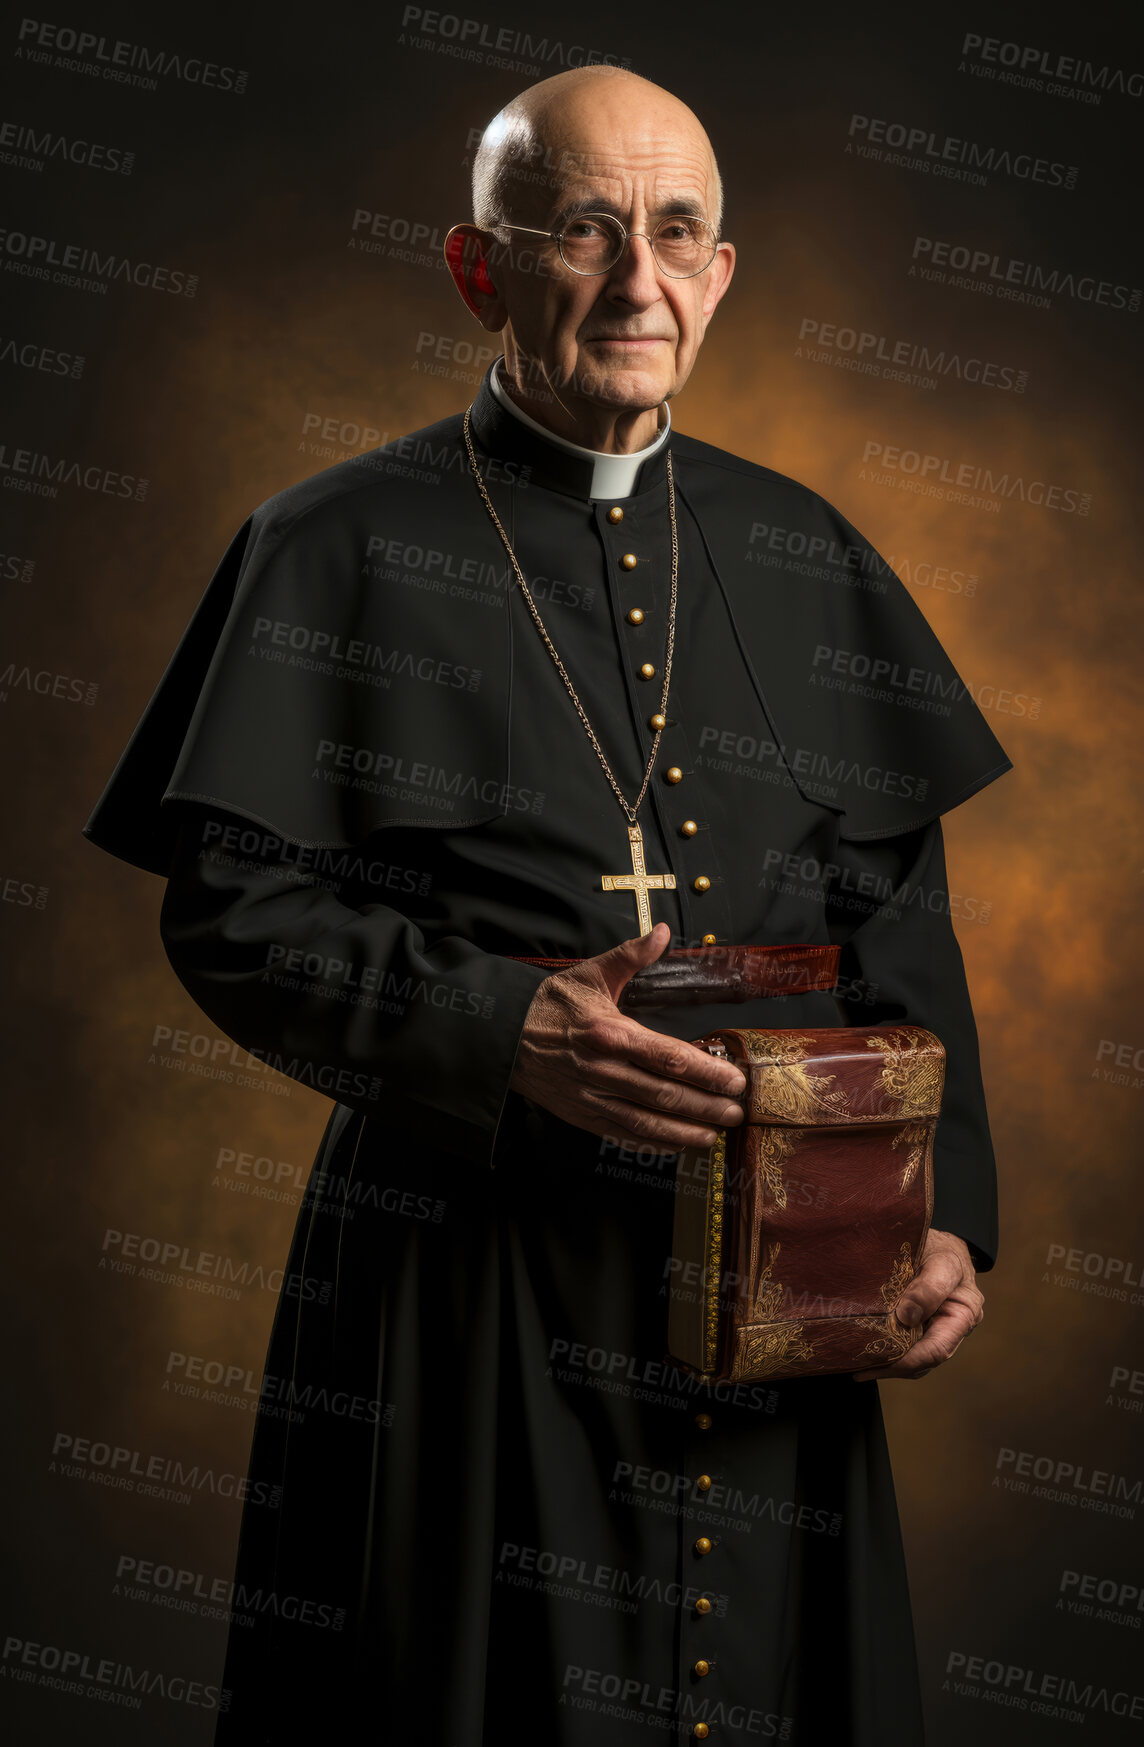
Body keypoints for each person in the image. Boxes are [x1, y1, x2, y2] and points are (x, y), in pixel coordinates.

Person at [85, 65, 1009, 1747]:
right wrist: (502, 1027)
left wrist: (945, 1221)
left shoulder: (807, 553)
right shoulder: (333, 544)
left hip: (775, 1277)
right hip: (471, 1275)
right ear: (478, 267)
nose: (638, 281)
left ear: (722, 274)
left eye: (676, 235)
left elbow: (904, 929)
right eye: (584, 230)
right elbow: (230, 913)